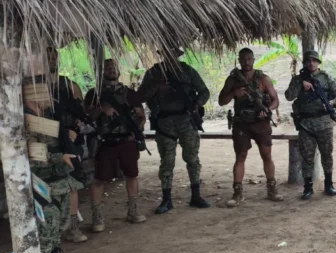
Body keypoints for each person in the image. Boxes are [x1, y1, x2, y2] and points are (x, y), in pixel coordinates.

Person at [25, 47, 84, 253]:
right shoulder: (25, 122)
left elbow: (55, 140)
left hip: (55, 179)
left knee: (57, 220)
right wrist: (60, 156)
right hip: (38, 181)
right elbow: (32, 156)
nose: (51, 97)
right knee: (46, 223)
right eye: (46, 94)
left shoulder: (46, 117)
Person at [137, 48, 211, 213]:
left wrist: (197, 104)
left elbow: (204, 91)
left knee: (192, 159)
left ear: (177, 55)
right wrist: (156, 87)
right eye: (168, 53)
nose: (171, 57)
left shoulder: (187, 71)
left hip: (186, 120)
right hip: (164, 122)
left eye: (173, 54)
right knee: (167, 162)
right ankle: (166, 199)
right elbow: (140, 97)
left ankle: (196, 195)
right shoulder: (154, 73)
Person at [84, 59, 147, 231]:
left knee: (132, 175)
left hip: (127, 140)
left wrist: (137, 130)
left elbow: (141, 116)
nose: (111, 70)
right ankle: (97, 217)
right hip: (105, 142)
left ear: (119, 70)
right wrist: (101, 109)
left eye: (114, 67)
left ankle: (133, 210)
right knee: (99, 178)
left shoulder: (129, 93)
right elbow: (86, 117)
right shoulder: (94, 94)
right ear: (102, 71)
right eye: (107, 67)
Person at [218, 47, 281, 205]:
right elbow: (221, 101)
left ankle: (272, 190)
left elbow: (275, 100)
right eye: (243, 59)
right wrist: (234, 93)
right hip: (241, 124)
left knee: (266, 155)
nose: (246, 62)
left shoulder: (263, 79)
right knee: (240, 157)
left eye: (249, 59)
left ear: (253, 60)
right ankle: (237, 193)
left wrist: (267, 110)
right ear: (239, 60)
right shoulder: (233, 80)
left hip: (261, 123)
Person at [285, 51, 336, 200]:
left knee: (327, 155)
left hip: (324, 123)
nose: (311, 63)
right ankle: (308, 187)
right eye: (308, 61)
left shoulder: (326, 77)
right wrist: (300, 84)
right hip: (306, 124)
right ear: (305, 63)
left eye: (314, 60)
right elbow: (289, 96)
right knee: (307, 157)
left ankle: (329, 184)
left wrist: (331, 102)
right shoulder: (298, 79)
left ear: (318, 62)